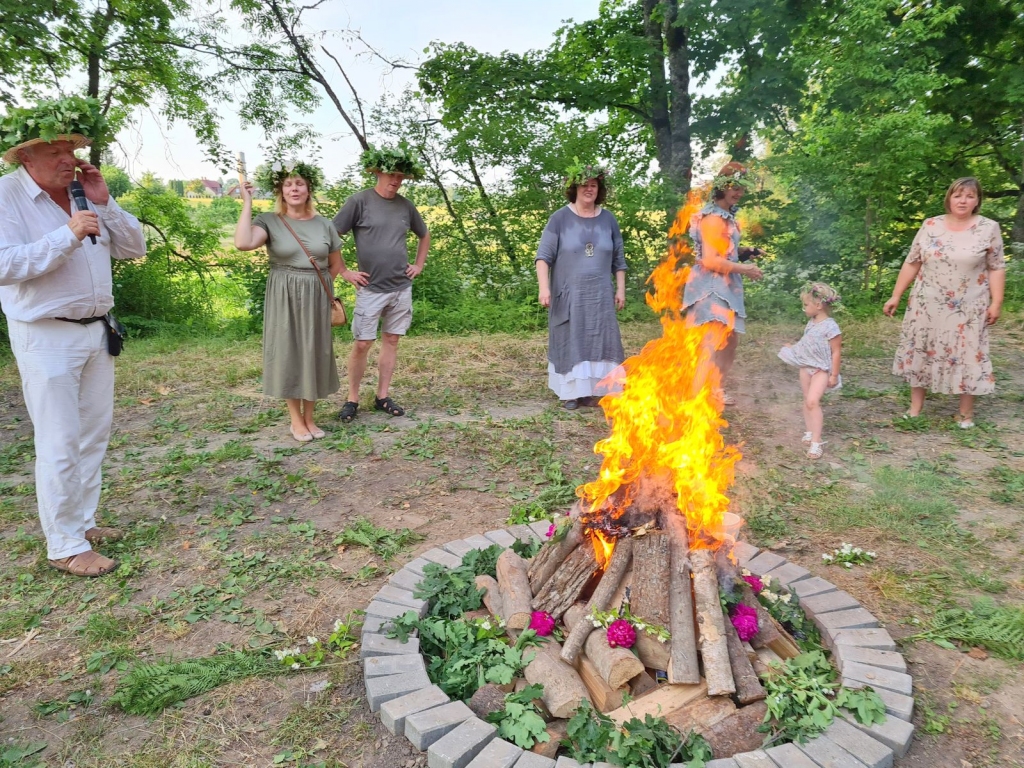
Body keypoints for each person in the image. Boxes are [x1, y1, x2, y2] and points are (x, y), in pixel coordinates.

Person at [0, 96, 147, 577]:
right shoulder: (7, 197)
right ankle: (64, 544)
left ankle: (81, 523)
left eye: (72, 150)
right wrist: (65, 235)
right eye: (54, 151)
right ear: (25, 156)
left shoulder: (85, 194)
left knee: (91, 437)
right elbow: (5, 265)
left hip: (96, 331)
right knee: (60, 441)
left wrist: (104, 202)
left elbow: (133, 248)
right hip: (46, 337)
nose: (69, 160)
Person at [883, 177, 1006, 428]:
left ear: (977, 201)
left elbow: (996, 267)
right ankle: (915, 409)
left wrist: (997, 302)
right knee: (922, 349)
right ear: (949, 197)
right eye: (958, 195)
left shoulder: (988, 228)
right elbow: (913, 261)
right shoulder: (930, 225)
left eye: (970, 196)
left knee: (968, 353)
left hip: (969, 305)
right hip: (927, 304)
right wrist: (896, 294)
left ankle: (965, 415)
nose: (963, 200)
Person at [234, 160, 341, 442]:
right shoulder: (270, 221)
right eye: (289, 184)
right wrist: (247, 203)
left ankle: (310, 418)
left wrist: (321, 289)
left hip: (316, 292)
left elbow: (335, 264)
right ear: (280, 190)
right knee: (290, 352)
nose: (294, 188)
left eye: (300, 184)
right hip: (284, 294)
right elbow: (243, 243)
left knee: (315, 351)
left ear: (309, 190)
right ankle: (296, 420)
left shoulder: (324, 225)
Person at [332, 145, 429, 422]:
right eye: (391, 175)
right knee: (363, 343)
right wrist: (344, 271)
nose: (395, 181)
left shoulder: (405, 206)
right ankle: (352, 398)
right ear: (377, 173)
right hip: (370, 289)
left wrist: (419, 265)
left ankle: (382, 396)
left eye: (400, 176)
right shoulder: (359, 201)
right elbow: (331, 235)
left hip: (401, 288)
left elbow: (424, 234)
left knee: (392, 340)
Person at [536, 161, 627, 410]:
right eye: (584, 185)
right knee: (571, 338)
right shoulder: (560, 219)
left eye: (594, 185)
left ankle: (594, 391)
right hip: (569, 294)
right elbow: (543, 257)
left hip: (600, 295)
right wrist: (544, 288)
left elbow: (619, 259)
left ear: (600, 189)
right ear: (574, 188)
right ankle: (571, 393)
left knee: (600, 338)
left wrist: (620, 289)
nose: (589, 189)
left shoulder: (608, 219)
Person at [682, 162, 764, 405]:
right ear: (721, 188)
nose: (738, 192)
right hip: (711, 286)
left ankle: (715, 388)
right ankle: (696, 398)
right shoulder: (713, 219)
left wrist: (745, 252)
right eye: (733, 188)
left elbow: (725, 252)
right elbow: (709, 259)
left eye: (741, 188)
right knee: (711, 342)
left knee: (729, 342)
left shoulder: (727, 216)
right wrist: (745, 269)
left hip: (727, 284)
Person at [778, 282, 843, 459]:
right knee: (807, 401)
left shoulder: (831, 326)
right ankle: (809, 430)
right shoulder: (811, 323)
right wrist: (793, 348)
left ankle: (816, 441)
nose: (803, 308)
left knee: (813, 401)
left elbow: (836, 351)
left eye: (806, 305)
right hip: (806, 368)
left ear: (818, 305)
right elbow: (807, 344)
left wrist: (834, 374)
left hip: (821, 370)